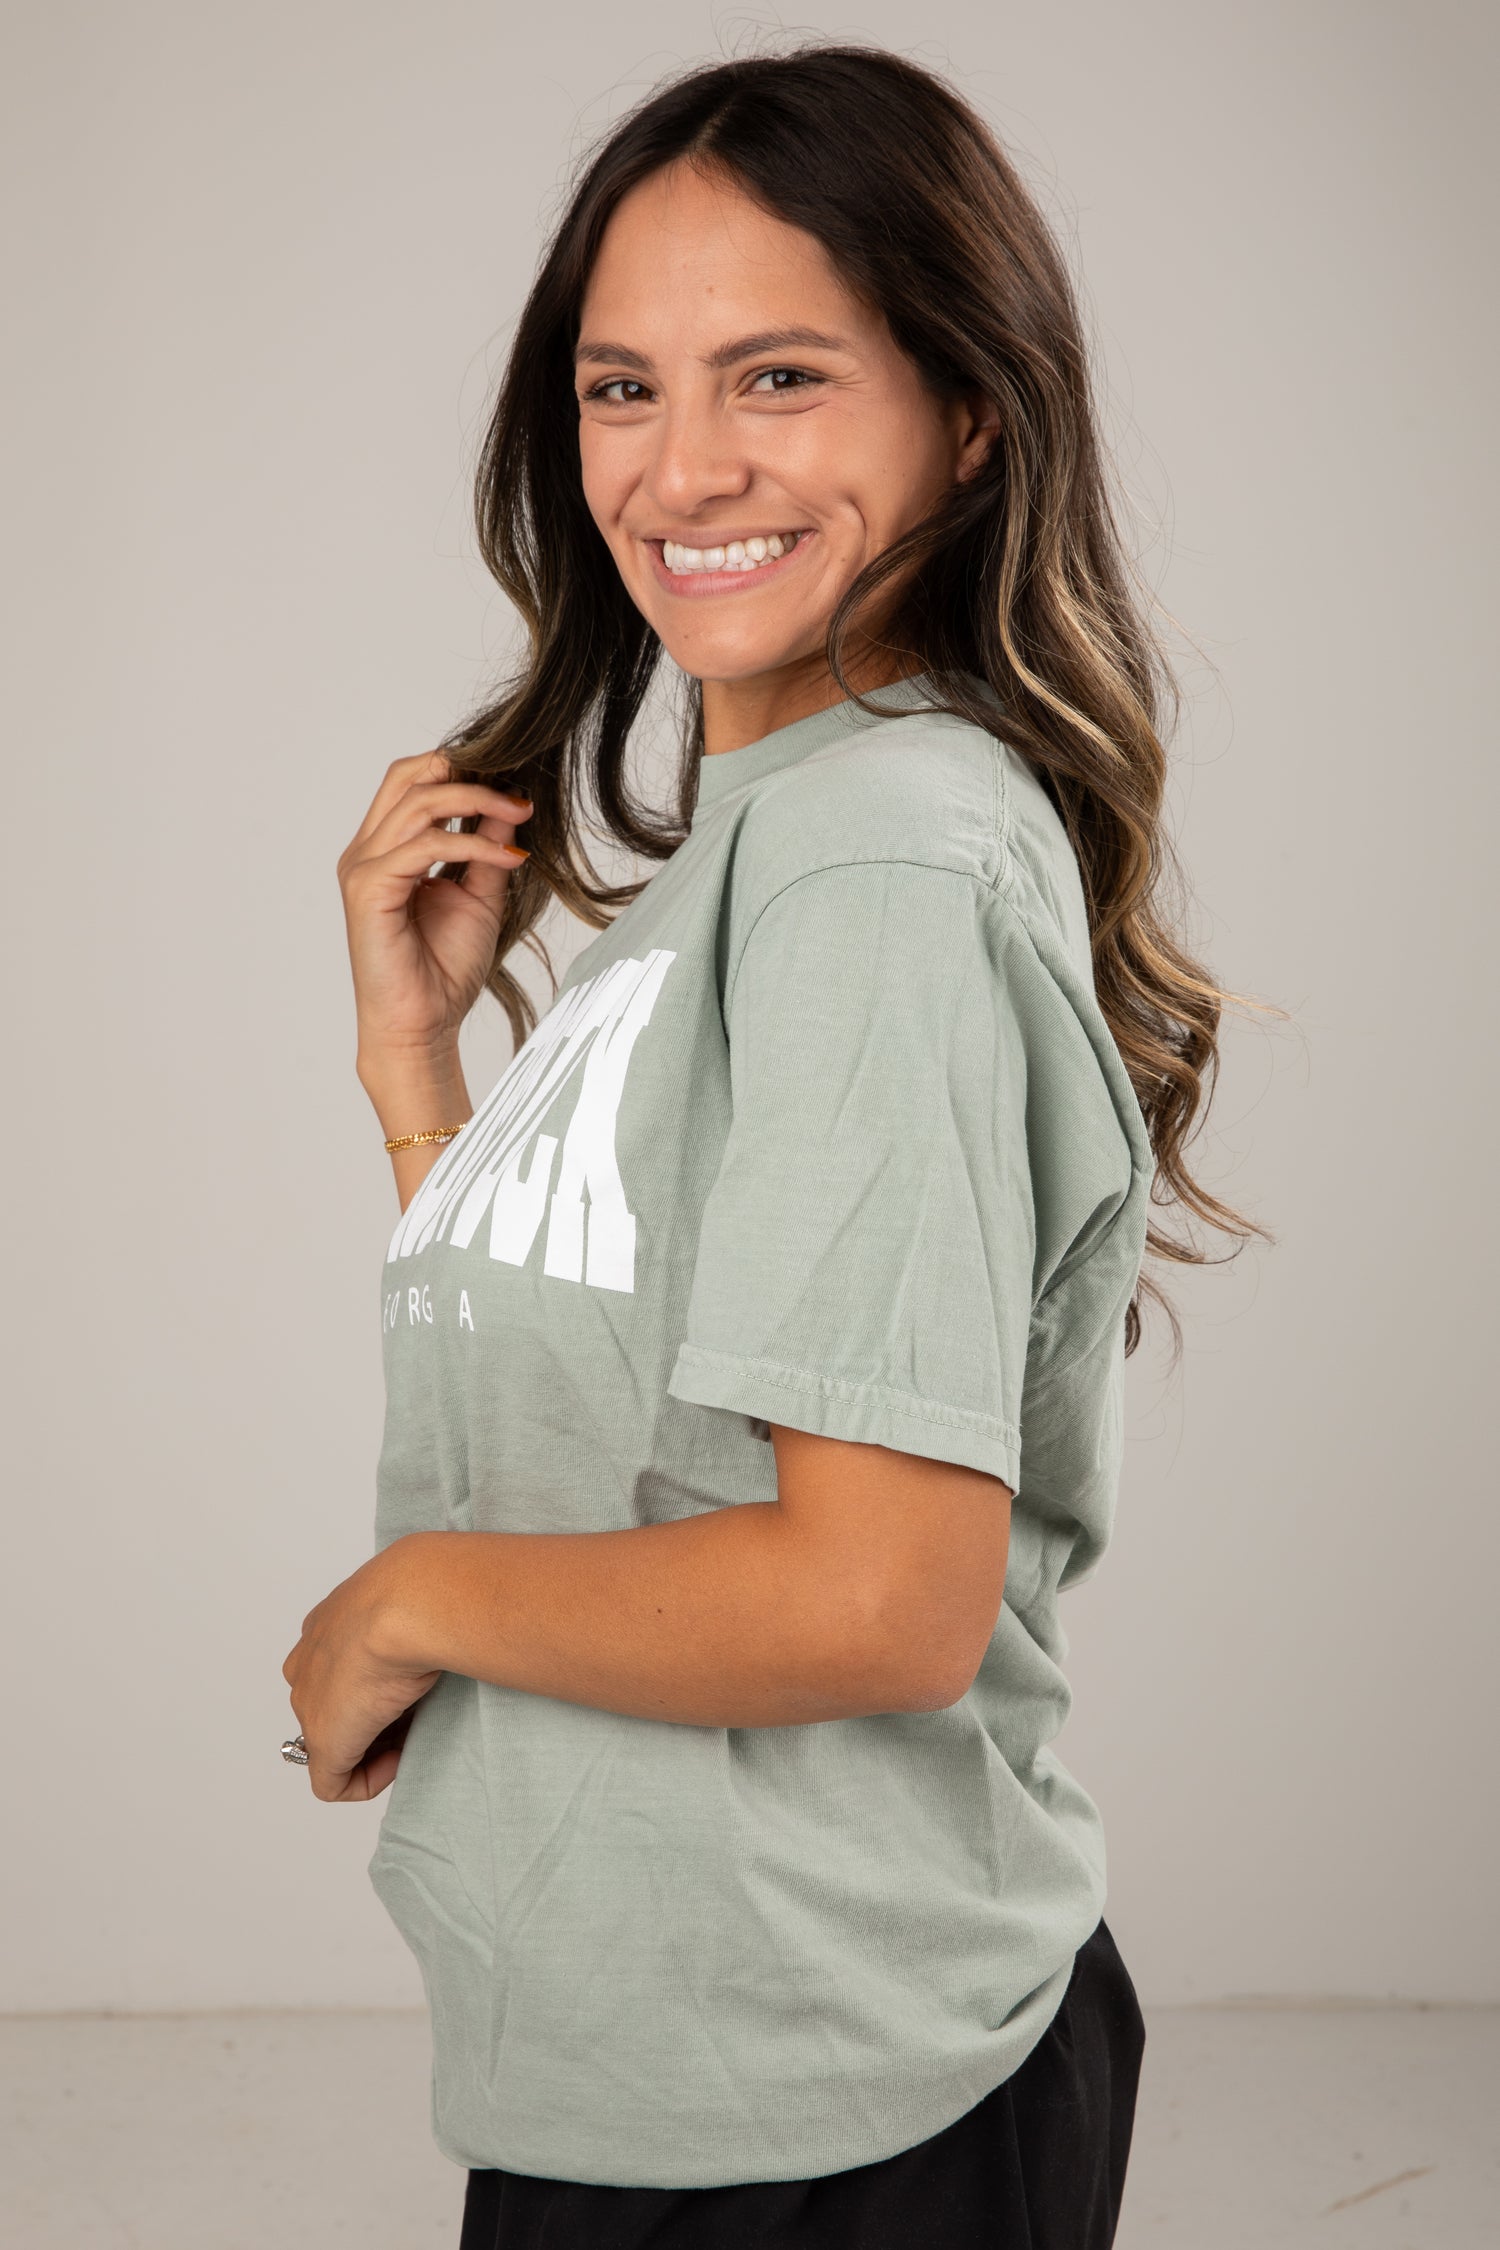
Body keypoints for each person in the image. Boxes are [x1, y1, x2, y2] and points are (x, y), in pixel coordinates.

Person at [281, 42, 1263, 2250]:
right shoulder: (767, 836)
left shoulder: (877, 860)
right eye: (622, 388)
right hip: (656, 2068)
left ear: (970, 413)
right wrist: (413, 1067)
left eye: (783, 376)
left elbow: (873, 1595)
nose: (686, 464)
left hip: (831, 2102)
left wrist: (399, 1607)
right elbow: (611, 1417)